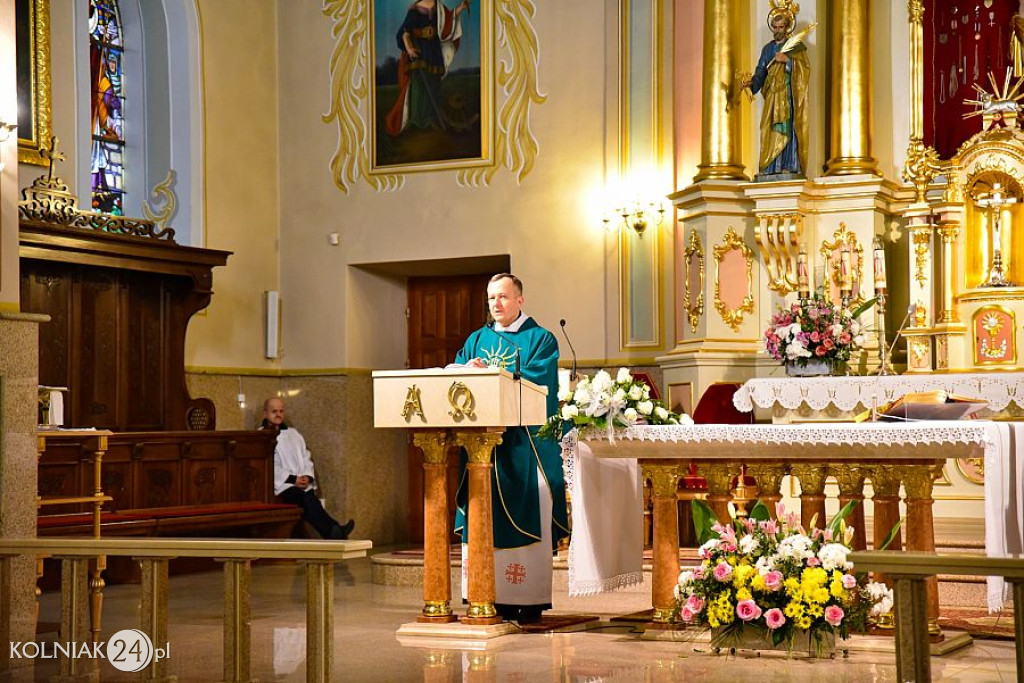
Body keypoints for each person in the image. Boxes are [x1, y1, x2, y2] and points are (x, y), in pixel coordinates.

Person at [451, 273, 569, 624]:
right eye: (491, 298)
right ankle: (485, 596)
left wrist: (495, 373)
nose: (496, 304)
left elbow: (540, 383)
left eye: (503, 297)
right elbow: (456, 372)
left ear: (520, 300)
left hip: (525, 445)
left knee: (531, 507)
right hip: (482, 448)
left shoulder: (541, 339)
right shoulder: (476, 339)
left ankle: (527, 602)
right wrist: (467, 368)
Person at [261, 398, 354, 540]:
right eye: (274, 411)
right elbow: (270, 465)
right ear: (265, 414)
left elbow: (305, 456)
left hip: (299, 482)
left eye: (281, 411)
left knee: (310, 498)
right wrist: (293, 479)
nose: (278, 414)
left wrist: (306, 476)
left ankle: (334, 530)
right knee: (305, 498)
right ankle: (333, 530)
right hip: (281, 485)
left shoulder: (294, 434)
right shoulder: (261, 436)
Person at [384, 0, 472, 136]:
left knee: (433, 83)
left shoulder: (439, 9)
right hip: (419, 50)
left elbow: (447, 22)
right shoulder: (414, 10)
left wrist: (460, 8)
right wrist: (409, 48)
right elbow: (404, 32)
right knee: (418, 85)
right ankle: (416, 120)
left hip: (434, 51)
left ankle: (431, 118)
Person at [742, 9, 810, 179]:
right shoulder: (768, 49)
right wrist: (752, 82)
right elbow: (761, 71)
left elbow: (805, 69)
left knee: (785, 127)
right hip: (772, 94)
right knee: (767, 127)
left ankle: (788, 165)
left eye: (781, 27)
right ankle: (768, 166)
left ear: (787, 28)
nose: (777, 30)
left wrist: (788, 61)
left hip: (786, 94)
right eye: (775, 27)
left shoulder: (795, 46)